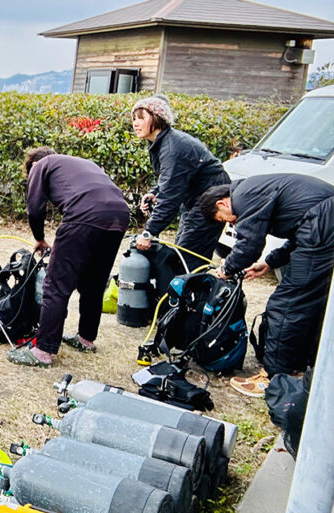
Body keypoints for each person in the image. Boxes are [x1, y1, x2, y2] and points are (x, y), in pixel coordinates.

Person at [199, 174, 334, 395]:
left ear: (222, 203)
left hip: (323, 223)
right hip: (324, 221)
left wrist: (225, 269)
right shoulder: (255, 189)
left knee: (287, 304)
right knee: (311, 301)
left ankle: (274, 378)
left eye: (224, 219)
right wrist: (270, 262)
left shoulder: (243, 196)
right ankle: (302, 366)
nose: (231, 224)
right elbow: (300, 231)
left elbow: (249, 246)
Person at [7, 148, 131, 368]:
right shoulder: (82, 163)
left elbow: (35, 209)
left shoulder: (40, 166)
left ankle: (42, 351)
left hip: (84, 216)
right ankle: (86, 339)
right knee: (93, 283)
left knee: (56, 285)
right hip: (119, 216)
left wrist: (39, 238)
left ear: (33, 165)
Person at [131, 95, 230, 267]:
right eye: (133, 119)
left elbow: (170, 196)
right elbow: (170, 180)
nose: (135, 123)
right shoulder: (164, 142)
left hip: (211, 202)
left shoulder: (172, 147)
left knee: (186, 261)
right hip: (195, 201)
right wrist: (155, 192)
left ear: (157, 118)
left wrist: (149, 233)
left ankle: (196, 292)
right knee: (180, 254)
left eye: (141, 118)